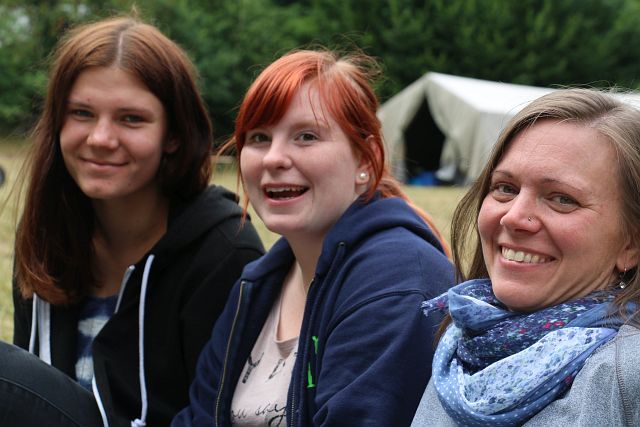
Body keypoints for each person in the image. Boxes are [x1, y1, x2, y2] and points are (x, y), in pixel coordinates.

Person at [171, 49, 454, 427]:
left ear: (365, 159)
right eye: (259, 137)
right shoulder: (256, 286)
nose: (273, 158)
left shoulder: (397, 280)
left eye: (306, 136)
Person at [6, 16, 264, 427]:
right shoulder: (46, 233)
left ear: (173, 135)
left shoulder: (222, 252)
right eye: (82, 113)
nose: (100, 139)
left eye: (131, 119)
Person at [411, 88, 640, 427]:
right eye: (505, 188)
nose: (514, 217)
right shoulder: (467, 343)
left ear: (631, 244)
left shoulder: (627, 373)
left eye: (562, 199)